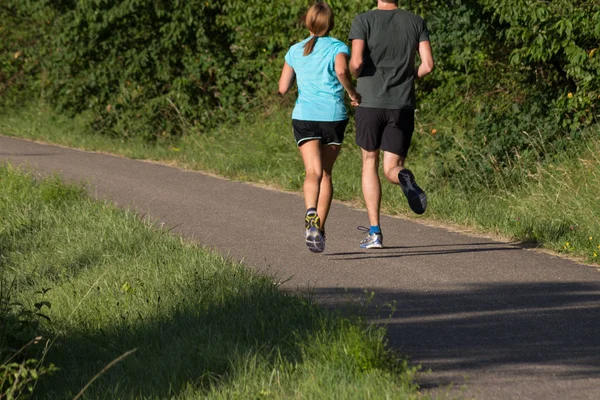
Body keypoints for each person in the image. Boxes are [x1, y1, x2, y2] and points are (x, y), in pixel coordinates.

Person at [349, 0, 434, 249]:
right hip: (402, 105)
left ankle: (375, 232)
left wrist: (357, 81)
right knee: (392, 168)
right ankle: (403, 178)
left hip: (369, 102)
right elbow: (428, 65)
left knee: (369, 162)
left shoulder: (363, 20)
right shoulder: (415, 21)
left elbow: (355, 63)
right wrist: (408, 78)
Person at [279, 1, 360, 253]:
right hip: (333, 116)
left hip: (304, 116)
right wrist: (352, 92)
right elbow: (341, 70)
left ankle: (310, 211)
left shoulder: (295, 50)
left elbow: (282, 88)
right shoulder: (338, 47)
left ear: (308, 22)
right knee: (326, 174)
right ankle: (319, 229)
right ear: (331, 23)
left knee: (311, 172)